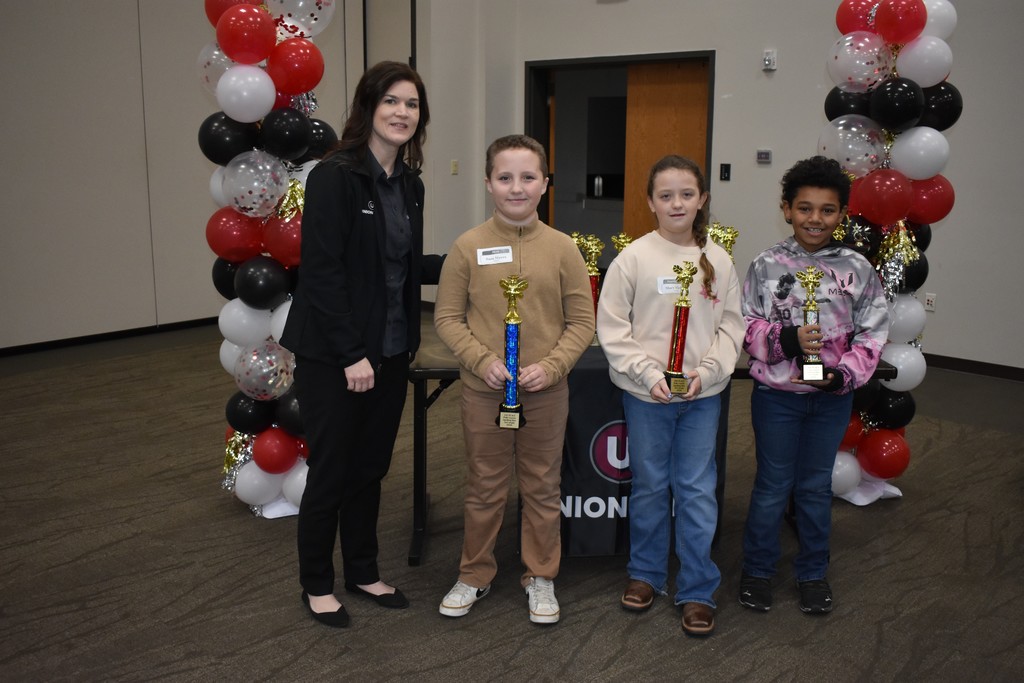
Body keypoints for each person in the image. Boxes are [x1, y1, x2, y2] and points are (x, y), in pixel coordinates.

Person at [279, 61, 430, 628]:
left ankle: (363, 570)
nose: (401, 113)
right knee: (334, 469)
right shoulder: (334, 175)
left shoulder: (410, 185)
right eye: (391, 101)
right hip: (335, 354)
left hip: (391, 350)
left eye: (412, 105)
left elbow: (402, 266)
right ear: (368, 108)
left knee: (371, 467)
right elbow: (322, 274)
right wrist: (351, 355)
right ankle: (316, 582)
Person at [434, 134, 594, 624]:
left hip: (545, 393)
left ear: (545, 184)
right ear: (488, 183)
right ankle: (474, 573)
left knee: (543, 486)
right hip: (485, 392)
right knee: (484, 485)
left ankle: (539, 575)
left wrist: (552, 365)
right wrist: (482, 361)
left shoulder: (564, 249)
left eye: (528, 177)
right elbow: (446, 318)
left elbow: (582, 322)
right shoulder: (467, 247)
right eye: (505, 178)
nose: (516, 188)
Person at [596, 155, 744, 637]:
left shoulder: (719, 261)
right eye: (666, 195)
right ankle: (646, 574)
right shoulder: (633, 258)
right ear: (650, 202)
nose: (676, 203)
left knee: (697, 488)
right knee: (651, 486)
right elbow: (613, 328)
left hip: (702, 395)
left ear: (702, 199)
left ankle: (698, 588)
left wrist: (708, 371)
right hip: (646, 396)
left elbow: (730, 326)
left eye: (686, 194)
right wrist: (645, 374)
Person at [738, 155, 888, 615]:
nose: (815, 219)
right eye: (805, 208)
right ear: (786, 209)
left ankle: (812, 572)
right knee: (771, 485)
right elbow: (745, 324)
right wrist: (785, 338)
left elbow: (874, 329)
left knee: (815, 487)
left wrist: (845, 375)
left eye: (826, 210)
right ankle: (758, 570)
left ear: (841, 214)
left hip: (830, 400)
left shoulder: (858, 269)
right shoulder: (766, 265)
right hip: (776, 399)